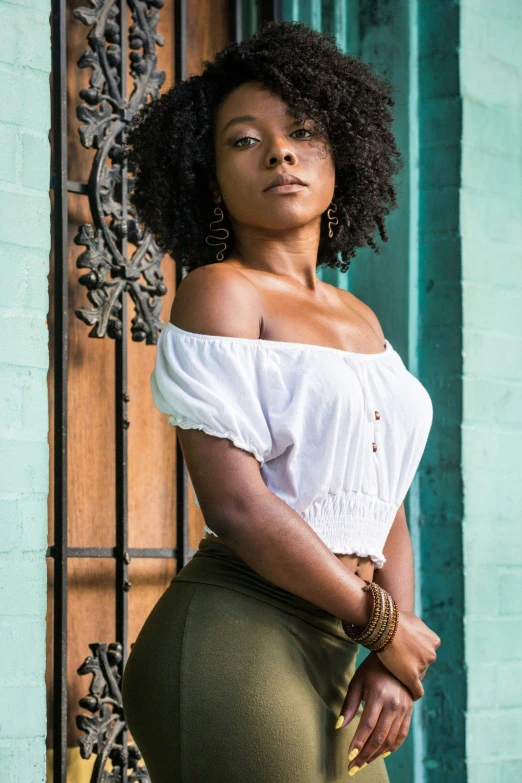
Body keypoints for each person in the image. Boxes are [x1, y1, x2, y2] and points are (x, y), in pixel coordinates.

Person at [121, 20, 441, 783]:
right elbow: (239, 505)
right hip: (240, 630)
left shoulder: (359, 317)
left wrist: (391, 658)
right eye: (243, 140)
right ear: (209, 172)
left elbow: (383, 497)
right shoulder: (220, 292)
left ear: (343, 154)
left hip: (344, 640)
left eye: (303, 132)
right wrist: (385, 624)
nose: (280, 153)